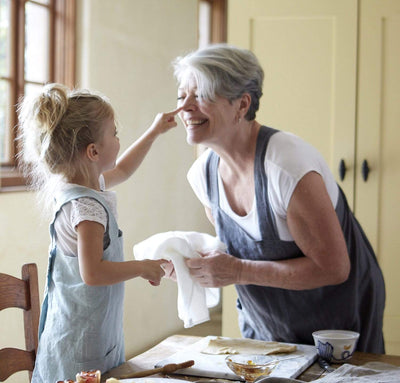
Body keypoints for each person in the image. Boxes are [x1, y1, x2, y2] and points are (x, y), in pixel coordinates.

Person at [171, 44, 386, 353]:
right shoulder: (202, 176)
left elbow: (334, 268)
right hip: (265, 326)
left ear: (242, 105)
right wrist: (184, 264)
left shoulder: (286, 166)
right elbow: (235, 253)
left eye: (201, 95)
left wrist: (239, 272)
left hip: (336, 323)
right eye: (181, 96)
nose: (186, 108)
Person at [17, 83, 180, 382]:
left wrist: (155, 131)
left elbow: (126, 169)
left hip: (93, 333)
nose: (119, 140)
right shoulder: (86, 208)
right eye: (114, 134)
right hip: (78, 345)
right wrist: (143, 267)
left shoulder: (84, 188)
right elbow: (93, 272)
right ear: (93, 151)